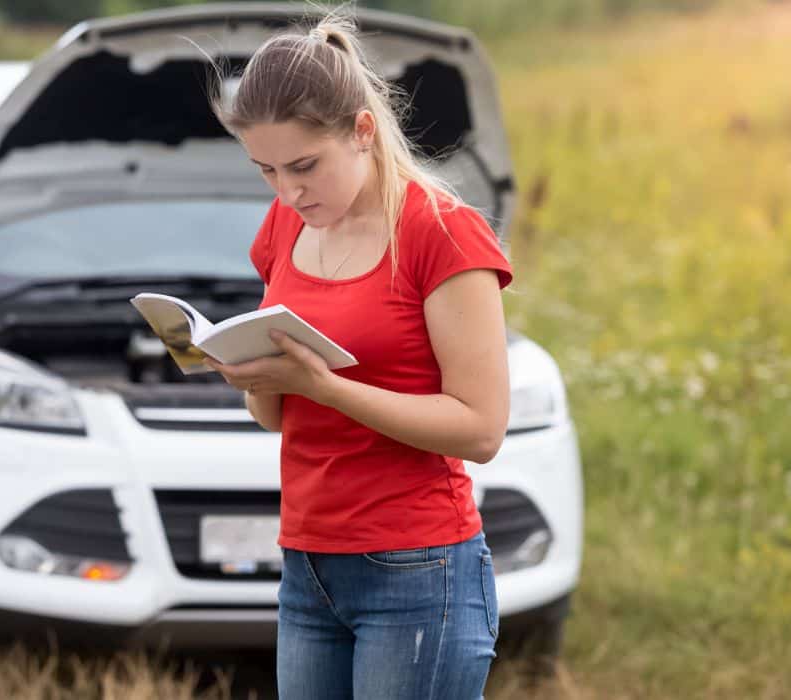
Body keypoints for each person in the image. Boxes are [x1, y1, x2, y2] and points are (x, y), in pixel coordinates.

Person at [203, 8, 514, 699]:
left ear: (363, 131)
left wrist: (327, 387)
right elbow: (278, 419)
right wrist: (252, 375)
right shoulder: (286, 224)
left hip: (419, 570)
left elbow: (483, 429)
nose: (288, 191)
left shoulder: (443, 235)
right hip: (308, 566)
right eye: (267, 170)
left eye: (305, 166)